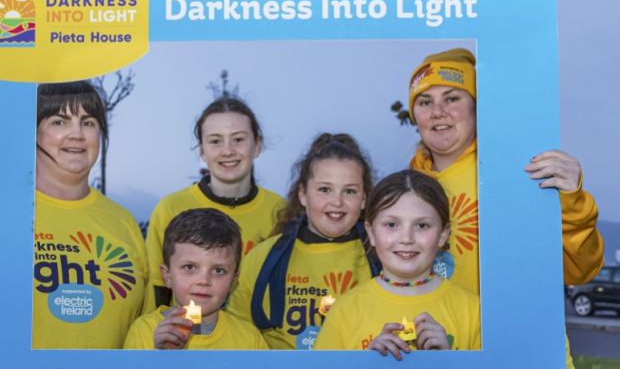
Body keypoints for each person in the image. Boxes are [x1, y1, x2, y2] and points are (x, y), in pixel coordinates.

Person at [407, 48, 604, 368]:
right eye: (425, 102)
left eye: (452, 98)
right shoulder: (406, 188)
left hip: (522, 353)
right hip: (441, 352)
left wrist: (572, 201)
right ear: (414, 115)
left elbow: (581, 269)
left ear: (476, 106)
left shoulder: (519, 170)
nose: (438, 112)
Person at [0, 81, 151, 349]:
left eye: (88, 123)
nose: (77, 134)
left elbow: (145, 326)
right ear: (33, 133)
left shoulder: (123, 223)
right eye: (59, 122)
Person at [225, 133, 381, 350]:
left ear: (363, 199)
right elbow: (233, 331)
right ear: (302, 194)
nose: (337, 201)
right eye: (325, 189)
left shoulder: (380, 258)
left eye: (350, 191)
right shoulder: (264, 258)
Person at [314, 170, 480, 359]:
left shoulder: (474, 312)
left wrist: (449, 361)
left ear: (443, 234)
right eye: (392, 225)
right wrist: (366, 363)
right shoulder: (344, 312)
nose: (406, 238)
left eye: (422, 225)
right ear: (370, 232)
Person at [145, 97, 284, 308]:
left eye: (238, 139)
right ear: (202, 150)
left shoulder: (280, 211)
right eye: (215, 141)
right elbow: (156, 293)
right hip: (189, 337)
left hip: (257, 339)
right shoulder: (170, 209)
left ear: (257, 145)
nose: (227, 151)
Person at [124, 208, 268, 350]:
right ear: (167, 276)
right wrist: (160, 357)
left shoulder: (249, 340)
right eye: (190, 267)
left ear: (233, 280)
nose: (204, 281)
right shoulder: (144, 332)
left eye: (218, 270)